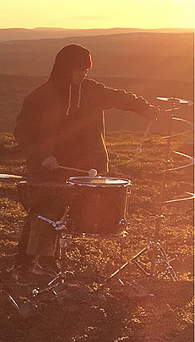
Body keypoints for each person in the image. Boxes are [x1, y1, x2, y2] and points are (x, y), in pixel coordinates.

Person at [11, 43, 161, 275]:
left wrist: (144, 108)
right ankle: (25, 263)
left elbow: (120, 98)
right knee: (44, 213)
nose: (83, 75)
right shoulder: (39, 98)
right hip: (49, 167)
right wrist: (43, 156)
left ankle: (51, 261)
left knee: (66, 216)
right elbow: (23, 133)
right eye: (79, 70)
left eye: (86, 71)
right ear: (64, 69)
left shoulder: (92, 91)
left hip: (85, 167)